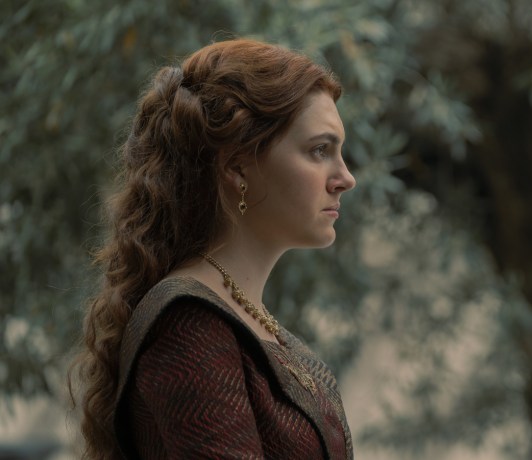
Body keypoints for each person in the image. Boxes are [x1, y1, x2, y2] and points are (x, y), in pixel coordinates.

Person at [69, 38, 356, 459]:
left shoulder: (256, 327)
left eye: (339, 152)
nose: (346, 178)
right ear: (237, 166)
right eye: (319, 150)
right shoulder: (189, 324)